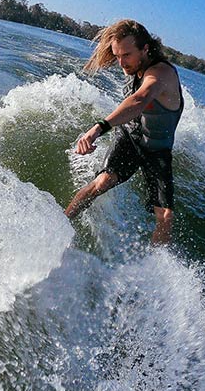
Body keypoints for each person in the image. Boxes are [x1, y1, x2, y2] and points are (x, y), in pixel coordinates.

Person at [65, 20, 184, 245]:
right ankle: (61, 225)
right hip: (131, 136)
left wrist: (97, 129)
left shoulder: (161, 74)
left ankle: (154, 268)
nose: (121, 63)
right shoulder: (134, 64)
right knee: (100, 184)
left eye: (126, 55)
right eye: (117, 55)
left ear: (146, 49)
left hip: (158, 148)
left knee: (166, 217)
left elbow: (139, 100)